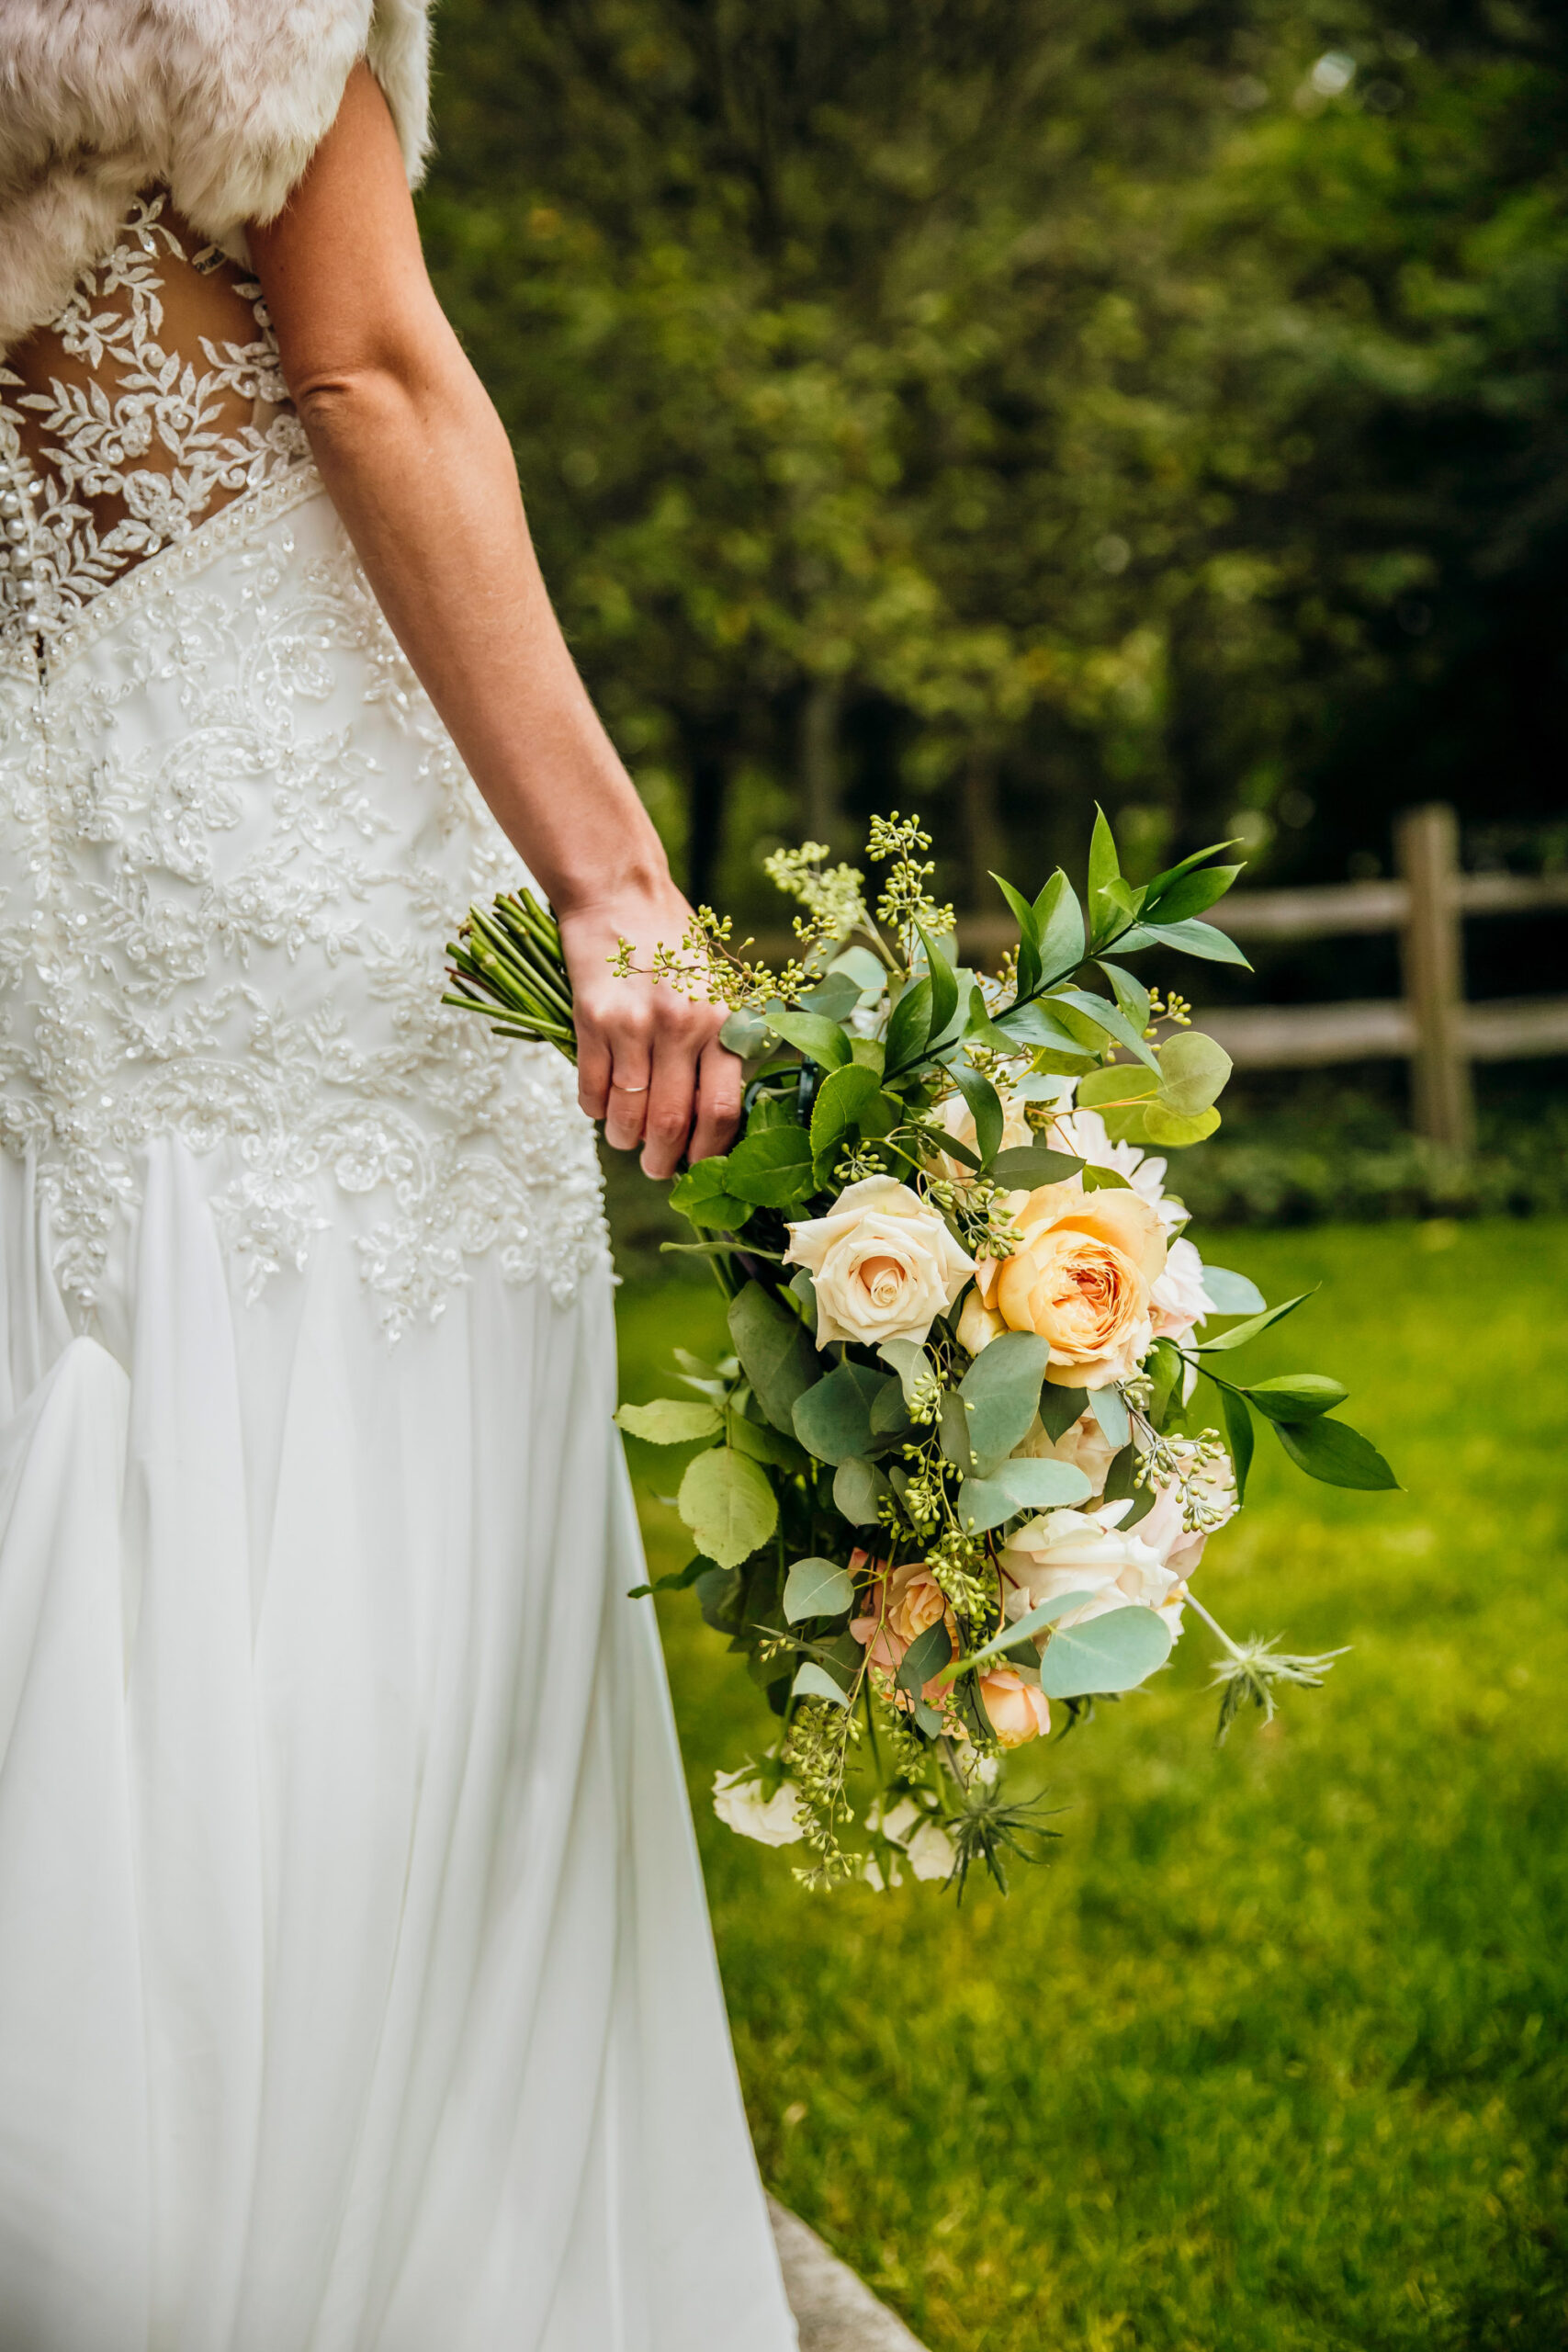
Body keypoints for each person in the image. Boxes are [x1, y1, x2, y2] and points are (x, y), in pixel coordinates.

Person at [0, 6, 797, 2346]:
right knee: (382, 1527)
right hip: (299, 840)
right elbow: (371, 371)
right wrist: (618, 875)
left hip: (64, 827)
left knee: (130, 1450)